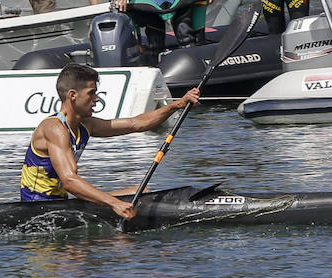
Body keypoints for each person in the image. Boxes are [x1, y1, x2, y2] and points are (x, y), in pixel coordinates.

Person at [19, 63, 201, 220]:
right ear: (73, 95)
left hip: (62, 204)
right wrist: (115, 204)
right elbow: (69, 181)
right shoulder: (54, 128)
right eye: (91, 93)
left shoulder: (86, 125)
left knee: (142, 192)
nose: (96, 99)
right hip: (37, 209)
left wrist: (177, 104)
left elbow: (136, 123)